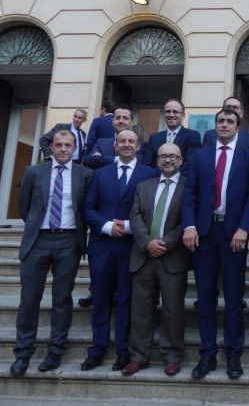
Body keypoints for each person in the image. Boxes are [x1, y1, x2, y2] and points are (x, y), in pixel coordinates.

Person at [182, 107, 249, 380]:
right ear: (215, 126)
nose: (224, 124)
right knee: (204, 298)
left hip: (233, 235)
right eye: (221, 121)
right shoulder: (201, 156)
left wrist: (244, 229)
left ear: (238, 127)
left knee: (234, 299)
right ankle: (207, 355)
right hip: (204, 234)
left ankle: (233, 355)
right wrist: (190, 225)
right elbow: (190, 193)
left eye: (230, 121)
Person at [10, 130, 93, 376]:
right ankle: (23, 353)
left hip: (68, 240)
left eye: (69, 145)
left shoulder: (86, 174)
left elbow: (85, 208)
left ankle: (55, 351)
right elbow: (25, 207)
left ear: (75, 148)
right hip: (38, 239)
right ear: (52, 147)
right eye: (59, 144)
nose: (64, 149)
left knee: (62, 299)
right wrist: (39, 227)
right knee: (29, 300)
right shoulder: (34, 172)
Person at [81, 129, 159, 372]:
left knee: (127, 300)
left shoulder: (150, 174)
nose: (127, 145)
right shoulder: (100, 174)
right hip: (102, 246)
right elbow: (88, 208)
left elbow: (153, 211)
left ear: (139, 147)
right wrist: (106, 226)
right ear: (115, 146)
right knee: (102, 300)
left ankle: (124, 351)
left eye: (132, 141)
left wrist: (126, 226)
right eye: (122, 141)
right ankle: (97, 349)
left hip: (132, 247)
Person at [121, 143, 190, 377]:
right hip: (144, 255)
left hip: (173, 256)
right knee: (141, 310)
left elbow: (188, 220)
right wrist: (147, 242)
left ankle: (172, 357)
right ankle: (138, 356)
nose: (168, 160)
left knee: (173, 310)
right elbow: (135, 215)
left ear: (181, 160)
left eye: (173, 156)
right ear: (157, 160)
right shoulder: (144, 186)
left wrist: (167, 242)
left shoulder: (189, 186)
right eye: (163, 156)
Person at [141, 99, 202, 174]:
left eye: (175, 112)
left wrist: (172, 179)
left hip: (181, 182)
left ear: (183, 115)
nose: (171, 115)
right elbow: (147, 164)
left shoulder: (192, 136)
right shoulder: (154, 138)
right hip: (156, 181)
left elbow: (190, 163)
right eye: (168, 111)